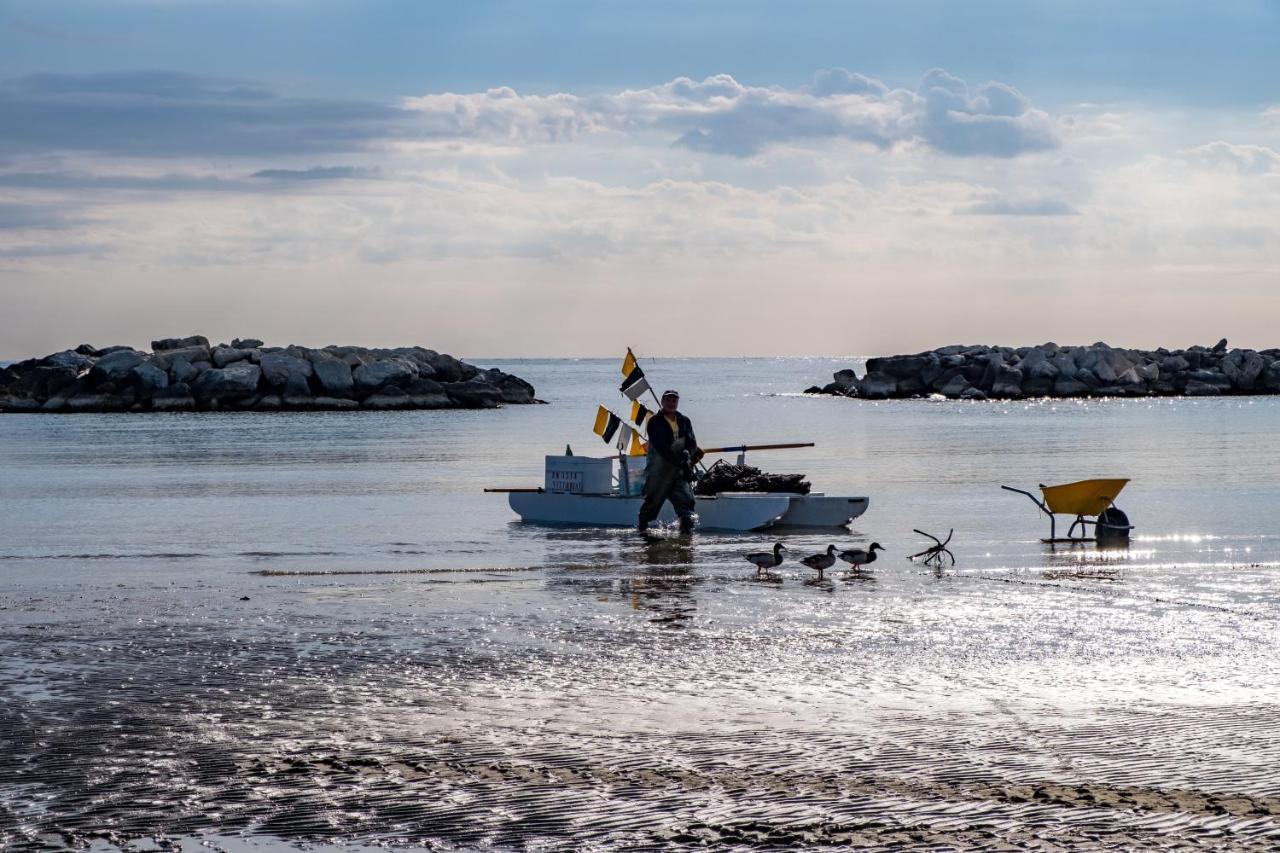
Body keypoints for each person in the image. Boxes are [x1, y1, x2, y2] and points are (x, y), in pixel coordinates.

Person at [637, 389, 702, 532]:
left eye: (674, 401)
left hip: (679, 470)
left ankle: (686, 539)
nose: (671, 403)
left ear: (677, 402)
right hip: (659, 470)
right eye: (668, 400)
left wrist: (687, 454)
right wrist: (681, 462)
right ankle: (642, 533)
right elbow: (661, 447)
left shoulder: (684, 420)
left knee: (686, 503)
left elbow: (692, 443)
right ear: (662, 402)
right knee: (651, 504)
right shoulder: (654, 421)